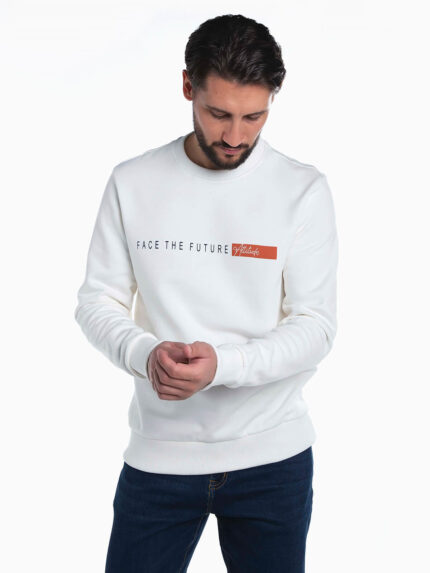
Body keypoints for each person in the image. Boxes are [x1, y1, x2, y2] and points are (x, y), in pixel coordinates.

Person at [74, 13, 338, 573]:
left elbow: (316, 326)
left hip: (273, 460)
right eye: (219, 114)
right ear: (187, 87)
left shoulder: (303, 190)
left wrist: (224, 365)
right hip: (160, 460)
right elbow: (97, 302)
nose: (235, 137)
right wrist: (145, 354)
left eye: (254, 116)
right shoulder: (133, 182)